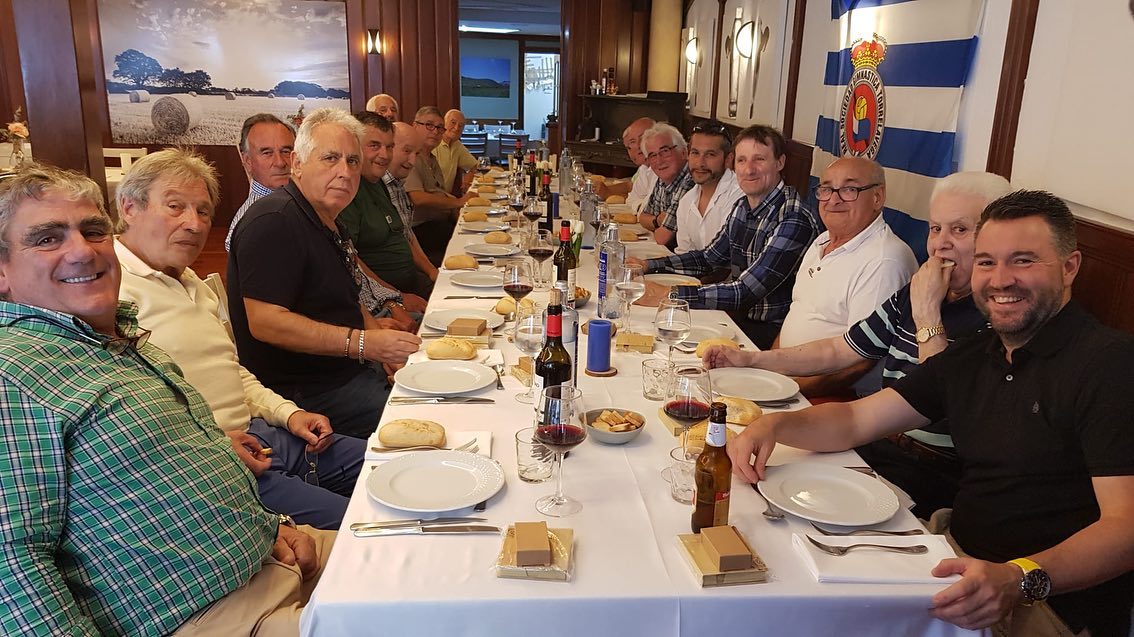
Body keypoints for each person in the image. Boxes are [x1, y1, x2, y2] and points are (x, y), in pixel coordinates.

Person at [728, 190, 1134, 637]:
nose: (1000, 280)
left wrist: (1019, 578)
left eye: (1023, 261)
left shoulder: (1109, 364)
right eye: (986, 262)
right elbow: (856, 420)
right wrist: (773, 425)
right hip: (949, 554)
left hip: (1044, 599)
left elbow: (1126, 528)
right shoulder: (976, 354)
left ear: (1069, 267)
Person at [0, 164, 333, 635]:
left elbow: (190, 470)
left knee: (432, 554)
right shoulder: (13, 373)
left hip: (274, 557)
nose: (82, 251)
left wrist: (270, 524)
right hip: (213, 616)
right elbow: (12, 565)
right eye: (47, 239)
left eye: (93, 231)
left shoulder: (124, 339)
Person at [705, 171, 1012, 516]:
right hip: (879, 445)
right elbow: (838, 350)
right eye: (935, 228)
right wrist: (752, 360)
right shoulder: (919, 290)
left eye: (960, 230)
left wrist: (927, 314)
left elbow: (942, 403)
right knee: (749, 485)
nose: (941, 243)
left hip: (933, 474)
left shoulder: (999, 319)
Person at [115, 149, 364, 529]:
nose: (194, 224)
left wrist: (289, 413)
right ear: (129, 208)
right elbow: (129, 420)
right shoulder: (109, 292)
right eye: (175, 206)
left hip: (266, 434)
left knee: (392, 464)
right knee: (366, 527)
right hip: (219, 463)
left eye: (203, 211)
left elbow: (230, 370)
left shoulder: (189, 281)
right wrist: (212, 448)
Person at [228, 108, 421, 438]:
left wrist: (379, 343)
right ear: (297, 164)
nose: (345, 172)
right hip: (306, 394)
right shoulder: (274, 221)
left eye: (353, 161)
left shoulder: (327, 218)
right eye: (330, 158)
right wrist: (364, 344)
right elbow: (265, 322)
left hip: (348, 372)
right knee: (431, 414)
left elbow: (349, 296)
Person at [631, 125, 820, 349]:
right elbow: (708, 259)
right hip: (737, 319)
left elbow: (746, 291)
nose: (749, 170)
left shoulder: (794, 217)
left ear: (780, 162)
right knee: (646, 331)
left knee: (663, 339)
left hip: (773, 336)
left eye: (759, 159)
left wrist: (670, 294)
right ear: (733, 164)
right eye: (742, 160)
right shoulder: (743, 205)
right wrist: (647, 266)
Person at [775, 155, 918, 396]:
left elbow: (860, 362)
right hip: (791, 382)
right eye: (827, 189)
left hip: (842, 398)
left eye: (849, 189)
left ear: (877, 197)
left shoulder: (884, 260)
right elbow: (797, 313)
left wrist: (789, 392)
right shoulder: (822, 241)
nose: (833, 200)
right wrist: (770, 370)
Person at [339, 112, 434, 299]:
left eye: (389, 147)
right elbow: (349, 261)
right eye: (374, 145)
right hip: (387, 296)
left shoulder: (379, 182)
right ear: (353, 146)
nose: (384, 155)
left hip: (410, 283)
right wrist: (395, 297)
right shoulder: (347, 191)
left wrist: (432, 272)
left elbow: (401, 235)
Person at [405, 106, 473, 265]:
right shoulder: (410, 158)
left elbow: (440, 192)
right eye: (429, 125)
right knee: (470, 247)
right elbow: (418, 198)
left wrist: (458, 214)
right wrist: (458, 202)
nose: (435, 131)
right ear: (415, 126)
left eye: (439, 128)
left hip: (439, 224)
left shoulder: (432, 159)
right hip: (421, 231)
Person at [226, 113, 295, 250]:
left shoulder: (295, 201)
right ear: (248, 161)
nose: (280, 163)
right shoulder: (252, 222)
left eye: (286, 151)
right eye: (267, 153)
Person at [674, 120, 744, 254]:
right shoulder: (686, 201)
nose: (700, 163)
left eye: (710, 154)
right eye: (695, 153)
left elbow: (724, 261)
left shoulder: (739, 197)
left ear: (728, 159)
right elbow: (684, 254)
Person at [385, 122, 439, 283]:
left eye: (416, 154)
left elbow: (408, 234)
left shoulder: (398, 183)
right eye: (407, 151)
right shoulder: (379, 186)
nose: (412, 161)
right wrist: (431, 271)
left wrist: (431, 270)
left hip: (410, 270)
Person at [637, 122, 694, 247]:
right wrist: (657, 220)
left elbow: (662, 238)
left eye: (665, 151)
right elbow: (642, 217)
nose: (659, 161)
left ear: (684, 152)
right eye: (652, 155)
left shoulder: (690, 180)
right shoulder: (663, 179)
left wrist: (656, 225)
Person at [597, 117, 656, 212]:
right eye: (629, 146)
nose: (638, 146)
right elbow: (631, 195)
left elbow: (653, 207)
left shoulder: (661, 169)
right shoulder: (644, 168)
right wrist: (606, 190)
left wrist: (608, 192)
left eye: (643, 138)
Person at [434, 108, 478, 194]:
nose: (457, 128)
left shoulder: (457, 145)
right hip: (432, 196)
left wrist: (470, 174)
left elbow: (476, 166)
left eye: (461, 125)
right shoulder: (434, 143)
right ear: (443, 123)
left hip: (446, 196)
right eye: (453, 122)